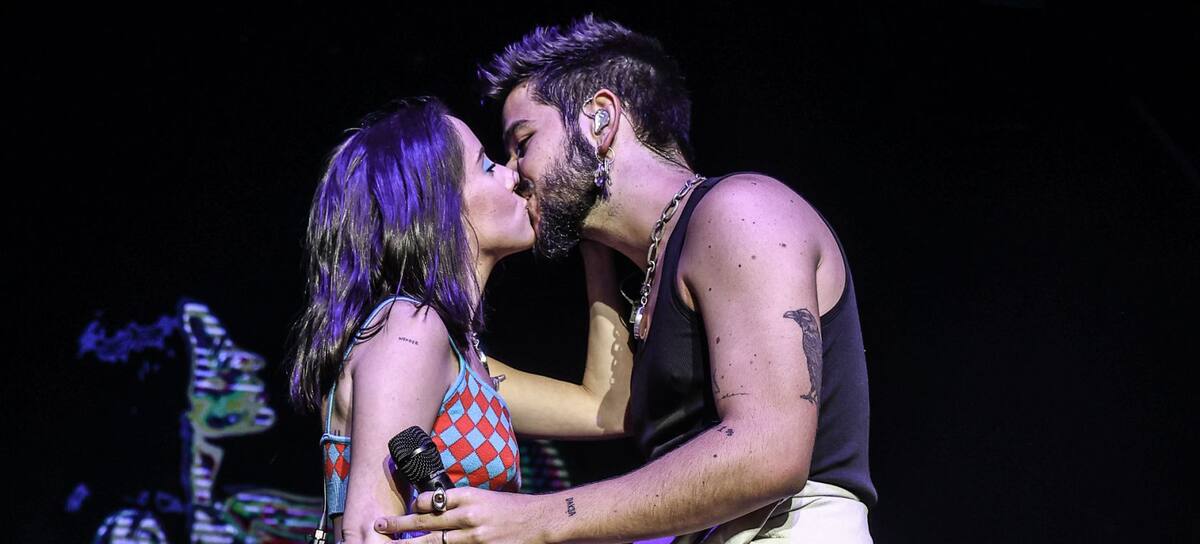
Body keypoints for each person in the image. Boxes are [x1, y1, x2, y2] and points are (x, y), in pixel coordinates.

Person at [373, 15, 876, 544]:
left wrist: (537, 520)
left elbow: (769, 451)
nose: (514, 173)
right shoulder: (657, 269)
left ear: (600, 119)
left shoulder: (740, 212)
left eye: (524, 141)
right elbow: (613, 410)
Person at [286, 97, 626, 544]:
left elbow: (606, 409)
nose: (512, 175)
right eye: (486, 166)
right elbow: (370, 532)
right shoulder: (410, 328)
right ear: (440, 206)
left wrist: (593, 235)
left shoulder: (462, 359)